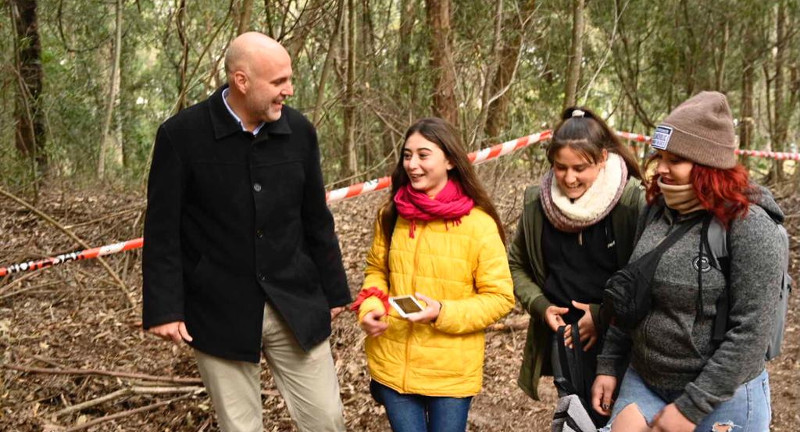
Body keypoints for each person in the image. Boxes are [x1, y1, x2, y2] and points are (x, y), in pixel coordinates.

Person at [142, 32, 351, 432]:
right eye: (278, 83)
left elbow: (316, 218)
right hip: (219, 307)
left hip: (295, 301)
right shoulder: (181, 136)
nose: (288, 90)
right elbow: (163, 229)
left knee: (327, 419)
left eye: (289, 79)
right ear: (241, 81)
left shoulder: (300, 131)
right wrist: (165, 308)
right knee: (241, 428)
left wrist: (335, 290)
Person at [591, 91, 783, 432]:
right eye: (659, 156)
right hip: (646, 380)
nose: (661, 169)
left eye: (675, 160)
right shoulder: (655, 210)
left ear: (709, 165)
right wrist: (608, 364)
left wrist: (691, 408)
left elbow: (751, 332)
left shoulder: (750, 225)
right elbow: (632, 293)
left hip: (724, 399)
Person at [351, 117, 515, 432]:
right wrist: (371, 308)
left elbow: (500, 297)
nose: (412, 164)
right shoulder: (390, 215)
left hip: (451, 371)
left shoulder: (479, 225)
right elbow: (376, 272)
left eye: (423, 155)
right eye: (407, 155)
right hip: (394, 361)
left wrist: (442, 311)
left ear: (450, 160)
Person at [508, 107, 645, 425]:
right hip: (566, 337)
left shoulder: (631, 202)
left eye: (580, 168)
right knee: (577, 420)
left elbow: (647, 278)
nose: (569, 178)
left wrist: (600, 315)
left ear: (602, 159)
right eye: (560, 168)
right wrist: (541, 306)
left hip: (620, 337)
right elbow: (515, 264)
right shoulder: (537, 204)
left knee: (620, 420)